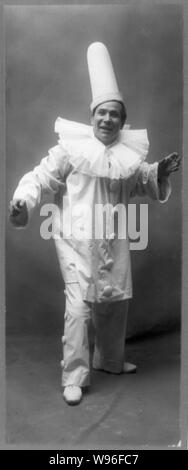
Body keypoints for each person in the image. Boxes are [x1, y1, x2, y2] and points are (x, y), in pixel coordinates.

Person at [9, 42, 181, 405]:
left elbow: (143, 182)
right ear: (92, 117)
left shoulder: (127, 158)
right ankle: (74, 373)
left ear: (122, 120)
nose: (107, 119)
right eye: (101, 113)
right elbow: (40, 178)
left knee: (114, 302)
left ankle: (110, 359)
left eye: (114, 114)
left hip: (114, 239)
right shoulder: (70, 150)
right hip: (74, 241)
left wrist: (158, 174)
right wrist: (24, 200)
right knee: (79, 307)